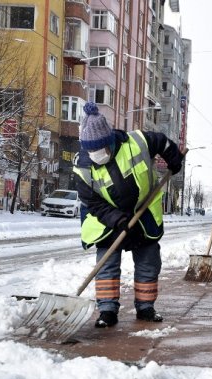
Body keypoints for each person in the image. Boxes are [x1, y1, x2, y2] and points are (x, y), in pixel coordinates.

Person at [74, 102, 184, 328]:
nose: (96, 155)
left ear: (109, 142)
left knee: (148, 262)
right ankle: (107, 310)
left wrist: (173, 158)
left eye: (100, 150)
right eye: (90, 151)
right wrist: (116, 219)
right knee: (107, 265)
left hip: (142, 214)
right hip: (106, 221)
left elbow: (162, 142)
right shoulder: (83, 165)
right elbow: (91, 201)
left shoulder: (137, 142)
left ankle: (145, 307)